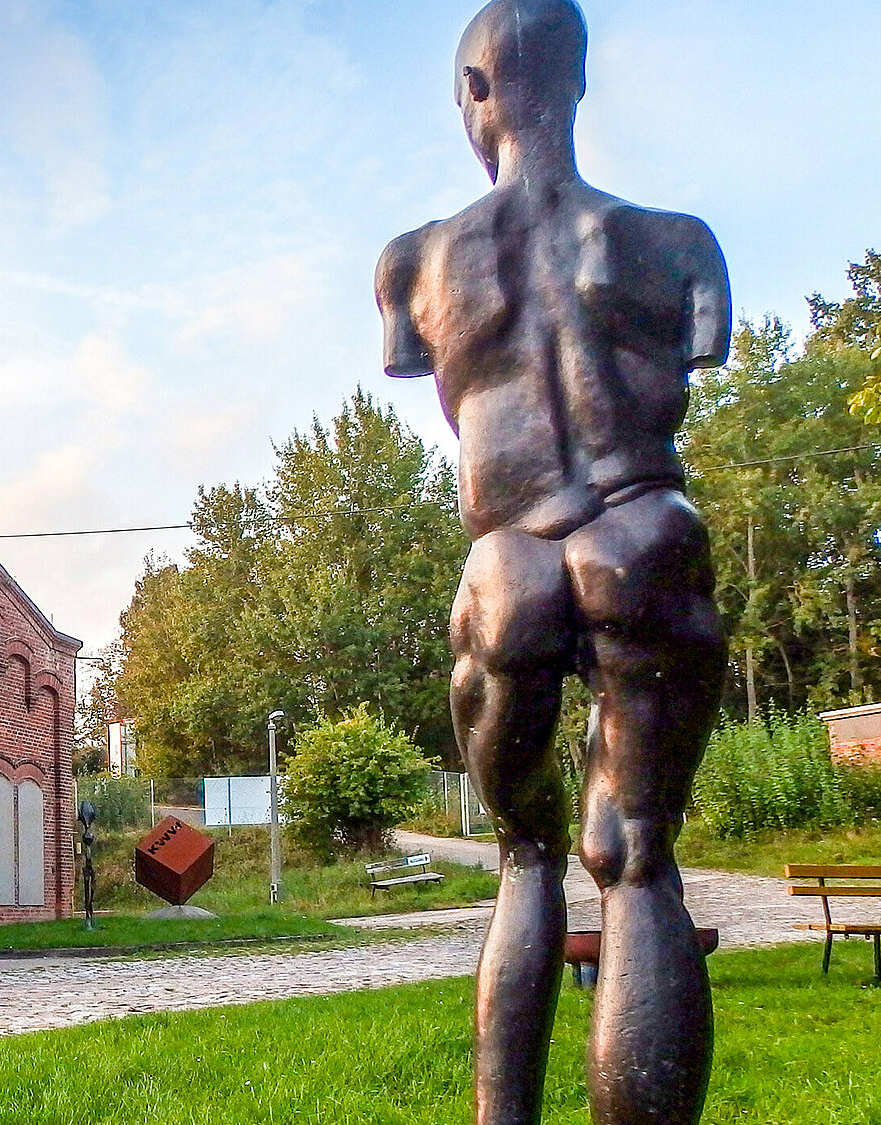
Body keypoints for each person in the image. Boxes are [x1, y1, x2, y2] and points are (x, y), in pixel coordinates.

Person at [374, 2, 728, 1122]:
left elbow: (416, 372)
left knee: (523, 863)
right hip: (642, 530)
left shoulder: (412, 265)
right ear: (577, 83)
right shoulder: (674, 241)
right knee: (634, 864)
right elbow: (698, 352)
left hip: (505, 561)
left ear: (474, 92)